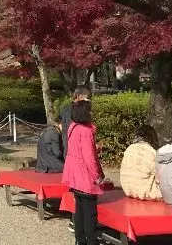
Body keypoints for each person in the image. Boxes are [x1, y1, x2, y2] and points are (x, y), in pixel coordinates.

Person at [62, 100, 105, 245]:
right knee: (90, 213)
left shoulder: (72, 127)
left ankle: (80, 240)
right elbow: (89, 158)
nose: (92, 113)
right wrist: (96, 176)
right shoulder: (86, 131)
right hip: (84, 176)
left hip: (74, 175)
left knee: (79, 211)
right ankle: (92, 240)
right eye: (90, 110)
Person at [120, 125, 162, 201]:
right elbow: (159, 175)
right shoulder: (151, 152)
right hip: (145, 192)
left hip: (128, 190)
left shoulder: (129, 149)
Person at [61, 84, 92, 155]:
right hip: (73, 152)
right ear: (79, 96)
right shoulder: (71, 111)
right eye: (87, 98)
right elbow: (72, 132)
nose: (88, 101)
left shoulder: (75, 109)